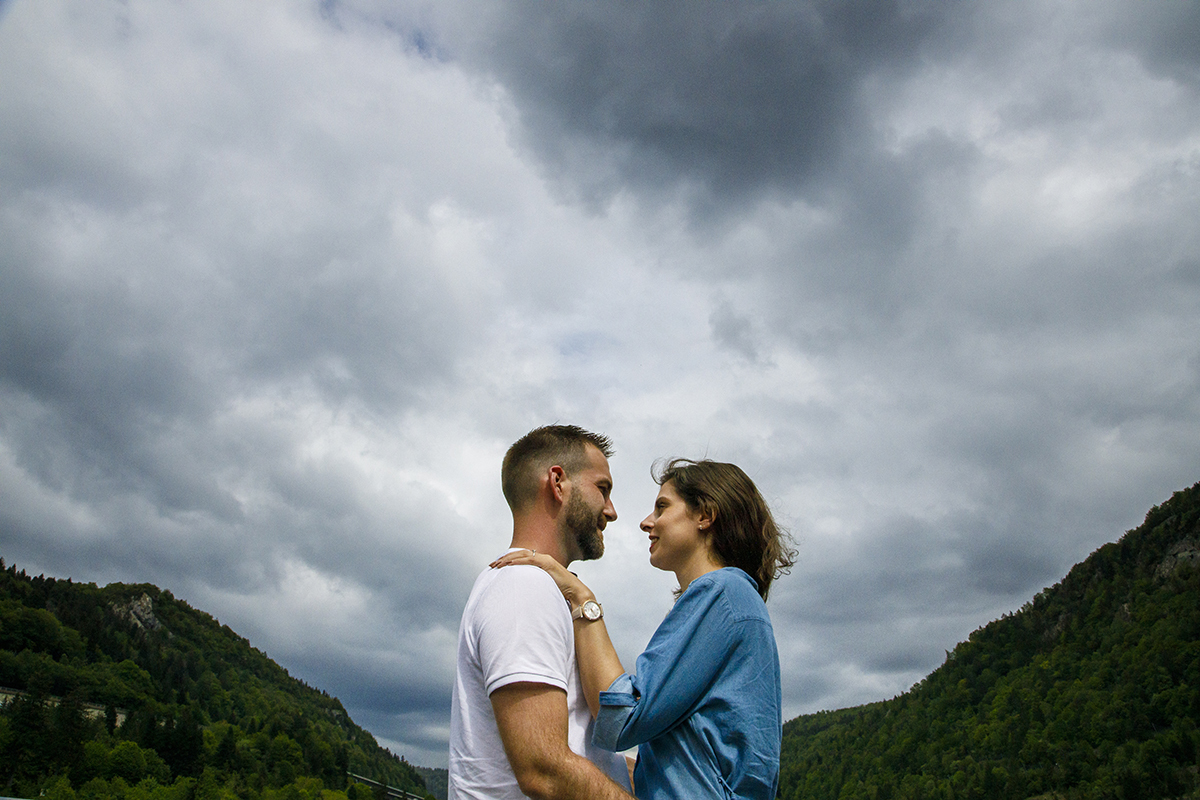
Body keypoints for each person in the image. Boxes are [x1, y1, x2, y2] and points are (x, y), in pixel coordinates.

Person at [493, 458, 795, 800]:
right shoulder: (734, 600)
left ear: (704, 516)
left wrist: (583, 602)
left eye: (662, 507)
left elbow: (624, 718)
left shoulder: (723, 593)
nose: (646, 522)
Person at [448, 425, 635, 800]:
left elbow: (576, 743)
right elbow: (543, 769)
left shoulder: (542, 589)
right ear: (558, 482)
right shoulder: (524, 588)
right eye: (603, 489)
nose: (611, 511)